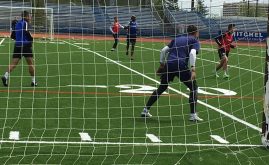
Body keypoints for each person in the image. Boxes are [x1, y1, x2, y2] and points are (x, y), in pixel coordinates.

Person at [141, 25, 203, 122]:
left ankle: (145, 110)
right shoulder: (194, 40)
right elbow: (192, 54)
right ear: (196, 32)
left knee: (162, 87)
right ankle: (193, 115)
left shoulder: (177, 38)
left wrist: (162, 65)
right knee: (194, 88)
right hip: (180, 64)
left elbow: (163, 50)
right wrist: (193, 69)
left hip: (169, 64)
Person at [1, 11, 37, 87]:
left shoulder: (17, 24)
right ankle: (33, 81)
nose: (30, 18)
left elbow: (12, 36)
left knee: (13, 63)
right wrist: (31, 39)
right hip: (26, 46)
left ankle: (5, 76)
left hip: (17, 46)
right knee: (30, 64)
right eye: (29, 16)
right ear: (26, 17)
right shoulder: (26, 23)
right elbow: (27, 32)